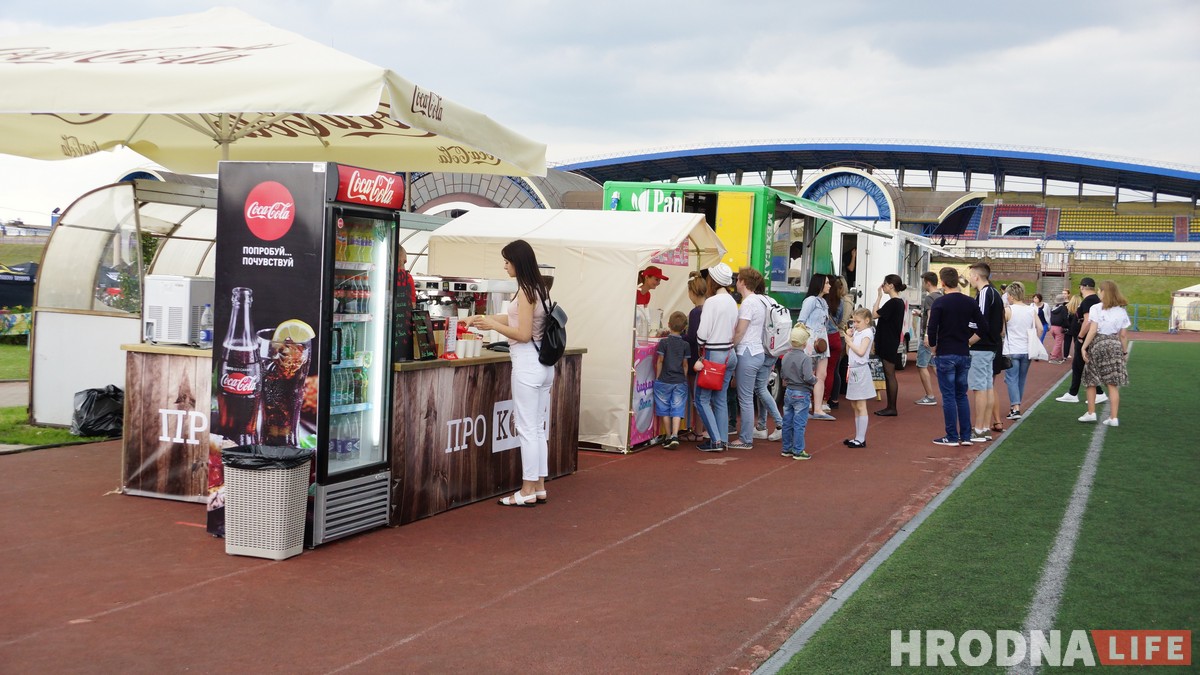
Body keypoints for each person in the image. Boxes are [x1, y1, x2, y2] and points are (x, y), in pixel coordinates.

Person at [466, 240, 552, 507]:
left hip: (527, 363)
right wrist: (486, 318)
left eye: (507, 261)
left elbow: (522, 334)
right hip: (543, 365)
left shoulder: (526, 291)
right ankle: (538, 486)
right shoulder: (538, 289)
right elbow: (519, 321)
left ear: (518, 261)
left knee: (527, 429)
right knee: (536, 428)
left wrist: (491, 323)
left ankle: (527, 488)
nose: (504, 266)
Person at [926, 267, 985, 447]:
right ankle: (966, 436)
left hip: (945, 352)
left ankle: (951, 436)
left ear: (942, 282)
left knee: (949, 396)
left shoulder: (940, 303)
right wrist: (969, 342)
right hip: (963, 352)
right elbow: (983, 327)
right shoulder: (970, 302)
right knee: (962, 395)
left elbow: (931, 328)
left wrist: (934, 348)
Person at [693, 263, 738, 452]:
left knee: (701, 399)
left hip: (713, 354)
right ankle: (722, 439)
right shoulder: (731, 300)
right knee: (720, 398)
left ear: (713, 280)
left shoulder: (711, 302)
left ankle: (716, 441)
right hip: (729, 353)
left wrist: (699, 341)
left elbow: (702, 334)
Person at [728, 266, 769, 450]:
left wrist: (729, 346)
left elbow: (740, 330)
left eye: (738, 279)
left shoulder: (748, 303)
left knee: (744, 398)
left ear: (743, 282)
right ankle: (747, 434)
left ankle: (745, 438)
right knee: (749, 395)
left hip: (747, 352)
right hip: (757, 351)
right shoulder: (759, 301)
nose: (736, 282)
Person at [1079, 280, 1130, 427]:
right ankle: (1114, 417)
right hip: (1114, 344)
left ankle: (1091, 413)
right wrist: (1124, 351)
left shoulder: (1096, 308)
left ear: (1104, 292)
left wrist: (1084, 347)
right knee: (1112, 383)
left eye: (1100, 291)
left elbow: (1093, 329)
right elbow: (1123, 335)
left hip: (1099, 343)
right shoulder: (1121, 311)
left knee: (1091, 379)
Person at [966, 262, 1005, 443]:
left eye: (970, 274)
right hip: (991, 346)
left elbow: (980, 323)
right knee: (987, 387)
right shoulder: (995, 293)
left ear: (976, 276)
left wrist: (967, 342)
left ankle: (980, 428)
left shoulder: (984, 293)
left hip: (981, 347)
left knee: (980, 388)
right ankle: (984, 428)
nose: (968, 277)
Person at [1056, 278, 1108, 405]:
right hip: (1086, 337)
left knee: (1081, 365)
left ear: (1083, 287)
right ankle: (1077, 393)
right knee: (1082, 365)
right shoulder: (1093, 300)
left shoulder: (1089, 300)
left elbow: (1088, 320)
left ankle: (1087, 393)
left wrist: (1080, 336)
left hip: (1084, 337)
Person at [1002, 282, 1043, 420]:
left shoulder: (1008, 310)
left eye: (1008, 295)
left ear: (1012, 296)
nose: (1007, 297)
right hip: (1027, 350)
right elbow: (1041, 328)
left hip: (1011, 348)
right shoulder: (1031, 310)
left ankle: (1015, 407)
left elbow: (1001, 331)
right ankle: (1016, 406)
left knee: (1011, 378)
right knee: (1021, 379)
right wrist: (1034, 339)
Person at [751, 277, 784, 442]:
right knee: (761, 387)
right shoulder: (771, 300)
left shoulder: (754, 301)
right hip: (774, 347)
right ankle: (761, 426)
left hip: (762, 348)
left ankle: (780, 424)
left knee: (760, 389)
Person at [798, 274, 835, 421]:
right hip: (811, 341)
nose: (829, 285)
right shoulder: (811, 301)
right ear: (819, 284)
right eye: (826, 283)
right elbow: (802, 320)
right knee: (807, 375)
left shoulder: (823, 302)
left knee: (822, 374)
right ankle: (805, 407)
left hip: (821, 342)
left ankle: (818, 408)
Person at [779, 323, 817, 460]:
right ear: (805, 342)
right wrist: (814, 380)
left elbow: (783, 375)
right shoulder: (805, 358)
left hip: (789, 391)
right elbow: (808, 377)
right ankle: (798, 450)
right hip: (802, 392)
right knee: (799, 423)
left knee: (787, 421)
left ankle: (786, 448)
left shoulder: (786, 356)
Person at [871, 274, 907, 416]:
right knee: (889, 374)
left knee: (889, 374)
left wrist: (879, 296)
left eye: (885, 284)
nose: (883, 286)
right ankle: (891, 406)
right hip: (891, 340)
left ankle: (892, 407)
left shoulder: (893, 302)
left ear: (891, 285)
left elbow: (874, 314)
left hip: (887, 341)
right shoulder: (898, 302)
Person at [654, 311, 690, 449]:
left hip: (664, 380)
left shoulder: (664, 342)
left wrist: (658, 376)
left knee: (664, 409)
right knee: (677, 408)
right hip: (679, 380)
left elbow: (660, 360)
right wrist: (684, 377)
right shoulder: (685, 345)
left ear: (668, 325)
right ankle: (675, 435)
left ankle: (668, 436)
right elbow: (685, 364)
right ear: (684, 328)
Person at [842, 308, 875, 448]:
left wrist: (849, 341)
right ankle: (858, 437)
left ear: (867, 321)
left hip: (861, 370)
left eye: (857, 321)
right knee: (855, 404)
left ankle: (861, 438)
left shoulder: (867, 332)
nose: (855, 324)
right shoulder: (857, 332)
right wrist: (849, 339)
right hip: (854, 369)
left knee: (861, 405)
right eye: (853, 321)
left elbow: (861, 352)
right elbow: (849, 353)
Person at [682, 271, 708, 441]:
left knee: (696, 397)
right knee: (706, 397)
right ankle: (703, 429)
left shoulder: (695, 312)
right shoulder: (709, 307)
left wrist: (677, 334)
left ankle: (697, 431)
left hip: (694, 358)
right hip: (708, 356)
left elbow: (691, 337)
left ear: (692, 292)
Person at [914, 271, 942, 406]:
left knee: (921, 365)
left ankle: (930, 395)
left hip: (930, 336)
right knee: (934, 365)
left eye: (924, 282)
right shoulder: (941, 296)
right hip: (938, 335)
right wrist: (921, 315)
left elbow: (931, 317)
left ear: (928, 283)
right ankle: (950, 389)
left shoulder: (930, 298)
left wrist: (926, 335)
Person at [820, 274, 847, 413]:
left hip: (822, 338)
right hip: (835, 336)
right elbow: (841, 318)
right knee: (831, 371)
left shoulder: (821, 301)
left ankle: (816, 400)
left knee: (819, 371)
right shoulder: (840, 302)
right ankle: (827, 400)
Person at [827, 276, 854, 410]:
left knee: (833, 369)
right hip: (840, 335)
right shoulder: (845, 301)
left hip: (838, 334)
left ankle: (833, 398)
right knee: (835, 368)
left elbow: (841, 321)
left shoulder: (843, 302)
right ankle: (834, 398)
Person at [1048, 291, 1069, 364]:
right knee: (1058, 343)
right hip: (1059, 328)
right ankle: (1053, 357)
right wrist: (1066, 326)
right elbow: (1065, 318)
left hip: (1052, 327)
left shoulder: (1053, 308)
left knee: (1057, 342)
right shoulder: (1064, 308)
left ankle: (1059, 357)